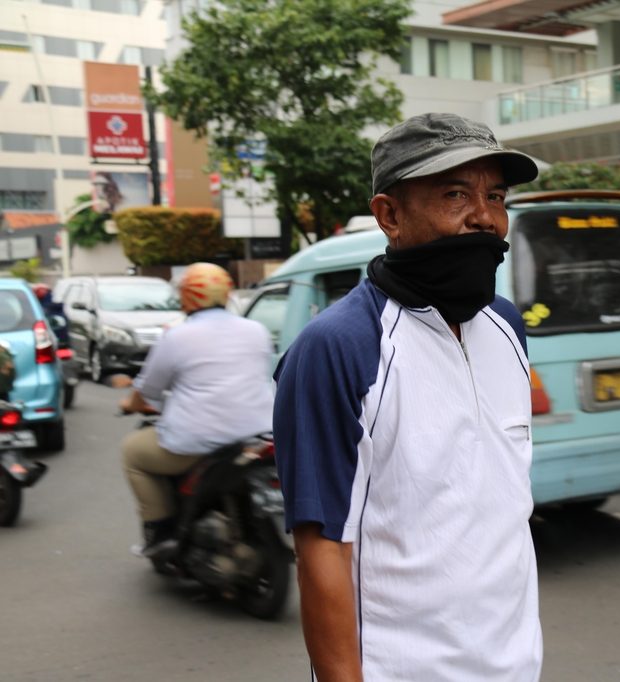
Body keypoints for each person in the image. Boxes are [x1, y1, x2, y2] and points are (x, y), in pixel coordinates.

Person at [273, 113, 543, 682]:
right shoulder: (339, 348)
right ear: (389, 215)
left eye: (496, 196)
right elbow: (322, 548)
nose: (485, 218)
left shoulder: (507, 329)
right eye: (455, 194)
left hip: (515, 666)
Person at [119, 263, 274, 557]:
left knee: (132, 452)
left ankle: (160, 529)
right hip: (257, 435)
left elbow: (148, 391)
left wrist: (129, 405)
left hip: (197, 441)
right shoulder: (257, 330)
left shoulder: (176, 336)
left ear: (187, 297)